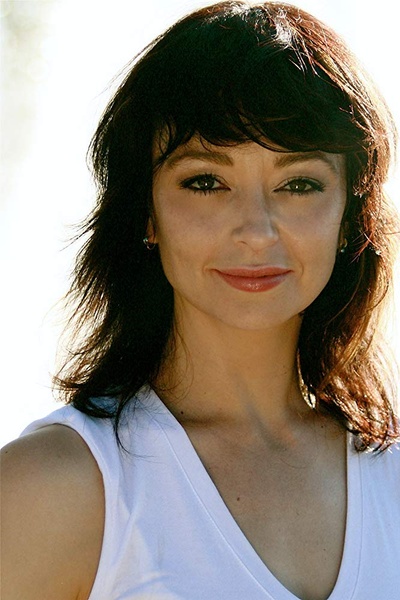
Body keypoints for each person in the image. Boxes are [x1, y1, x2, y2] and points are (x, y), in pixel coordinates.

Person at [2, 1, 399, 599]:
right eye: (207, 182)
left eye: (298, 184)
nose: (257, 230)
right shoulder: (56, 487)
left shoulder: (391, 478)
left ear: (349, 218)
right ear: (146, 212)